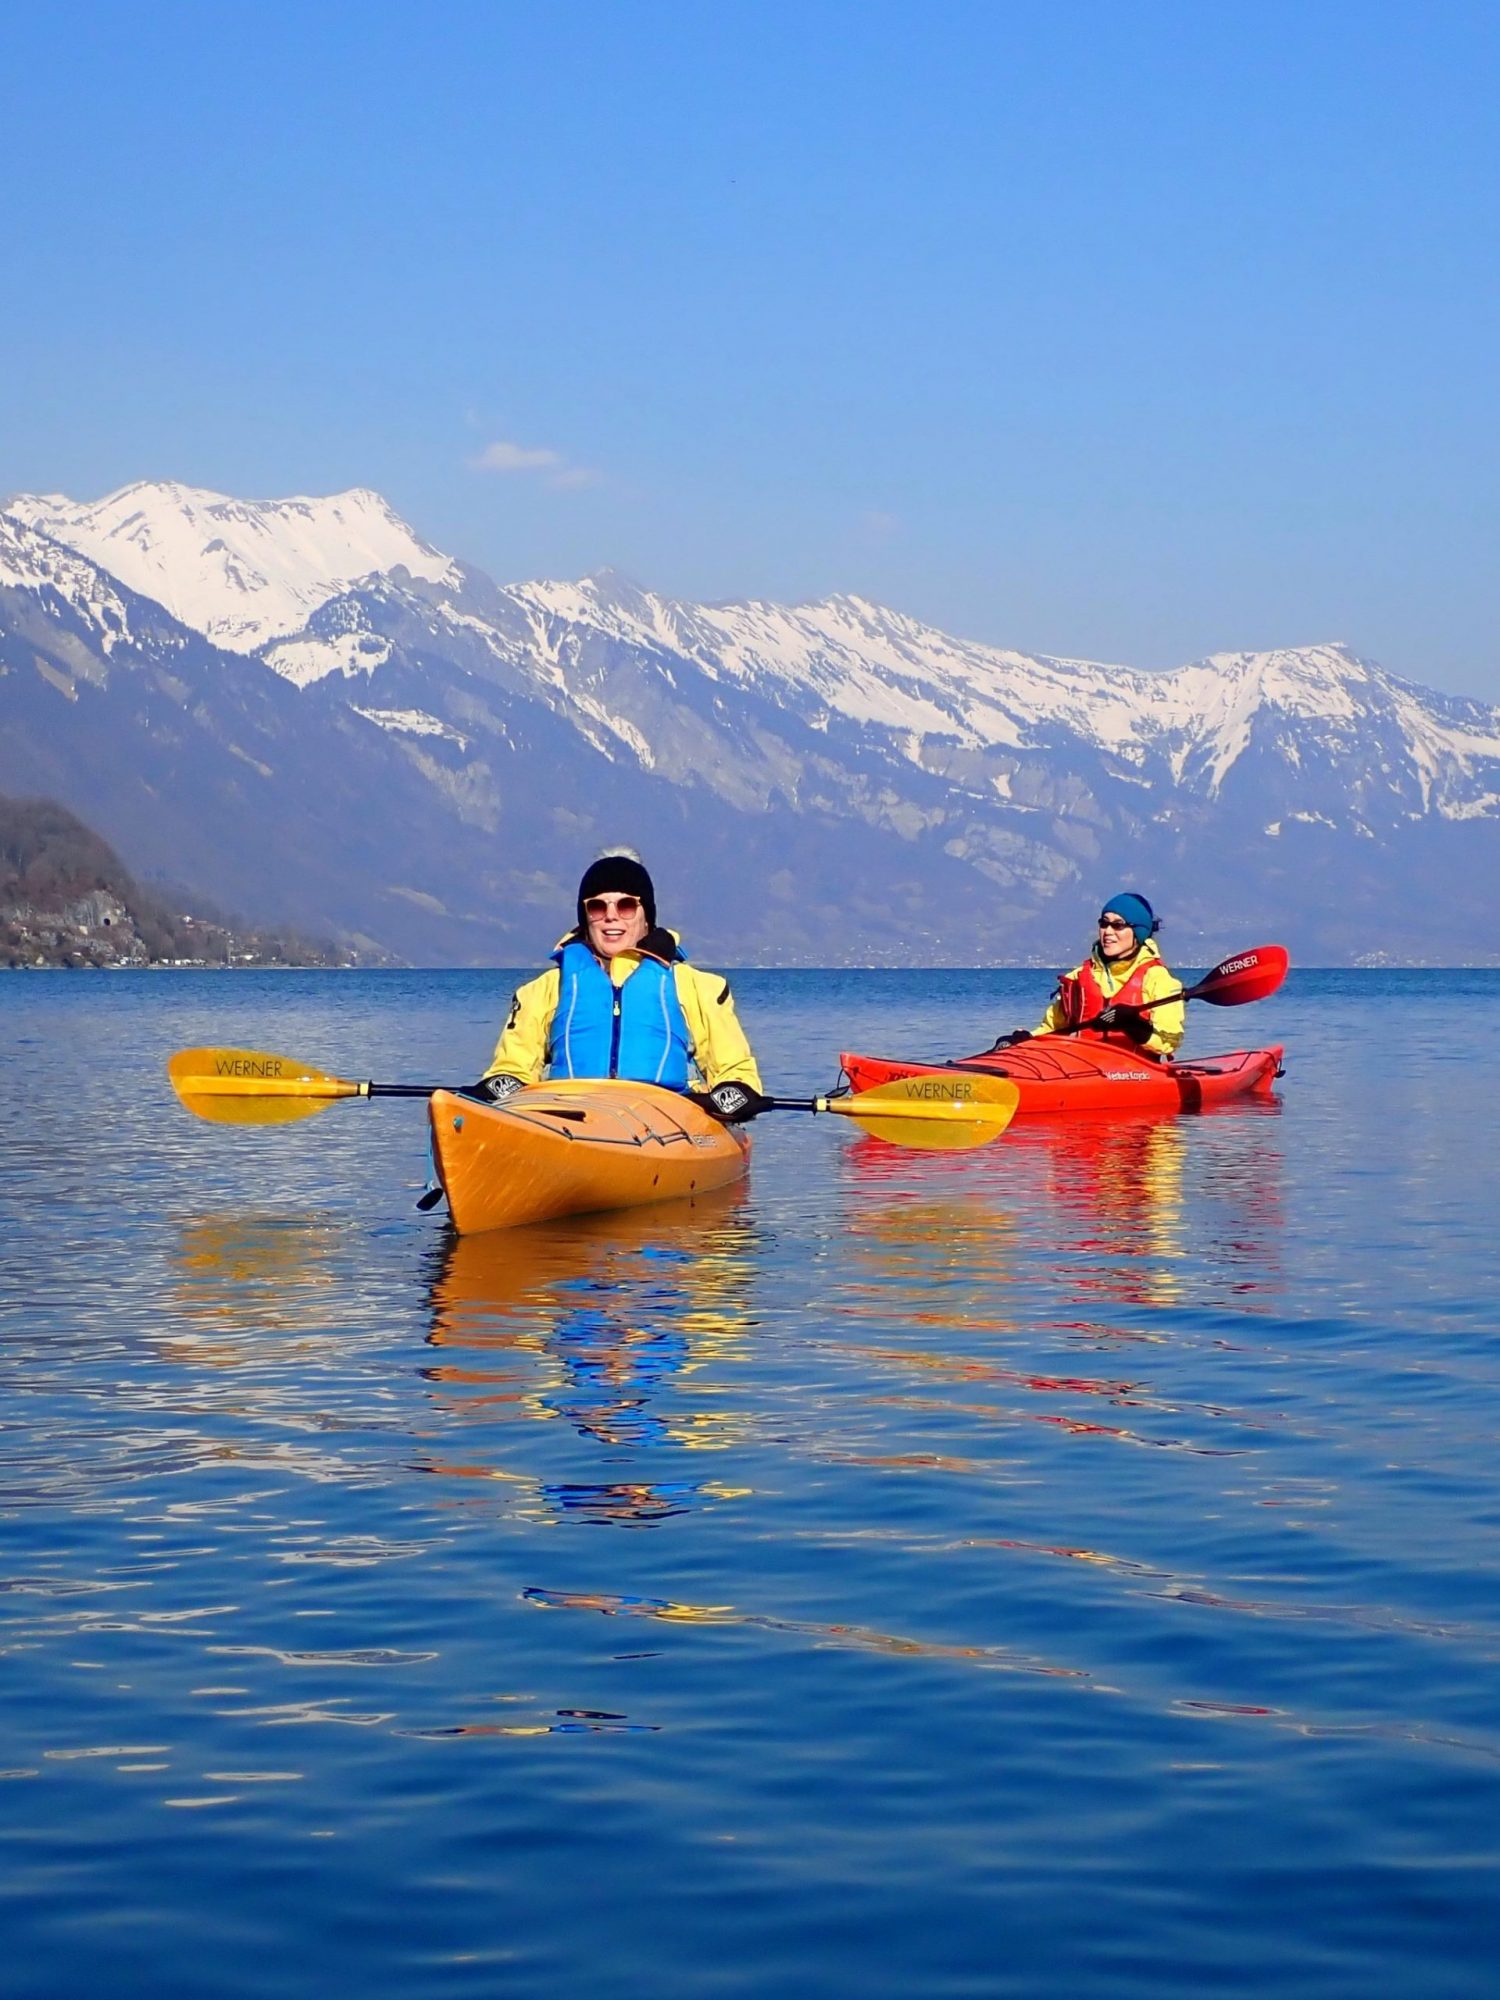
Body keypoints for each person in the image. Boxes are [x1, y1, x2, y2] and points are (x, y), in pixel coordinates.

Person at [475, 851, 769, 1121]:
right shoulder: (542, 991)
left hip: (666, 1121)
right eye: (597, 906)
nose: (611, 916)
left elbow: (736, 1072)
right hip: (569, 1119)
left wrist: (734, 1096)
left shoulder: (698, 988)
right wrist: (492, 1090)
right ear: (586, 917)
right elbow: (512, 1070)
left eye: (626, 905)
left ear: (646, 918)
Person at [994, 892, 1185, 1059]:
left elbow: (1169, 1042)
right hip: (1082, 1069)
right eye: (1104, 923)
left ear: (1138, 933)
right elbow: (1052, 1029)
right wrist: (1026, 1040)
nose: (1108, 932)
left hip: (1136, 1074)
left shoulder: (1159, 980)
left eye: (1118, 925)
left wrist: (1133, 1025)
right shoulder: (1078, 977)